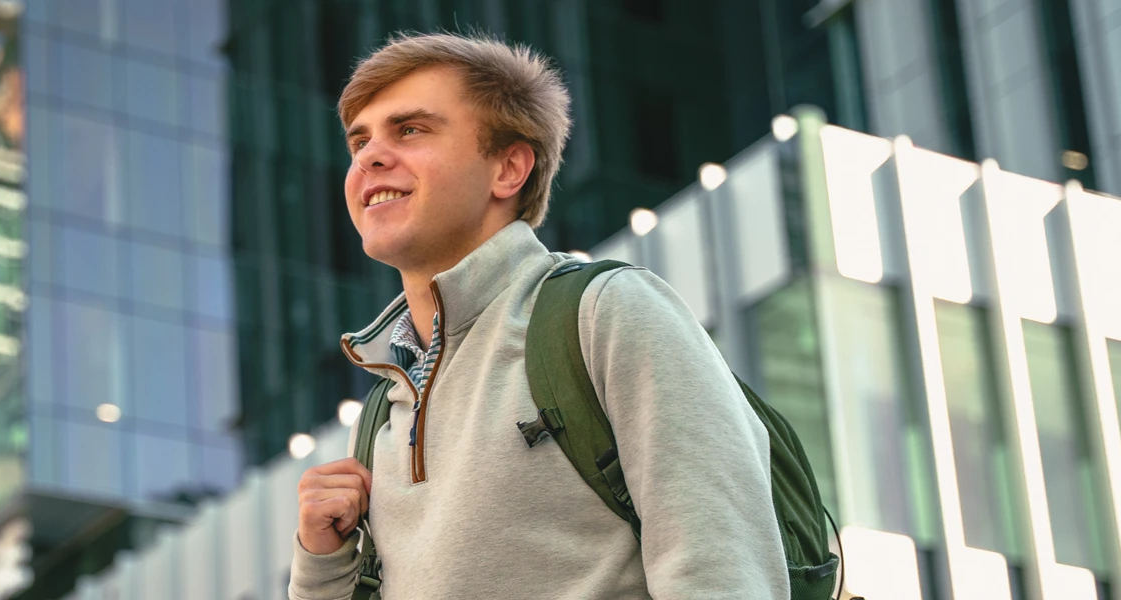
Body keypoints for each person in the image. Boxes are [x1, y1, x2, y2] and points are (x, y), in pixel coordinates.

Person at [288, 32, 790, 599]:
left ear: (509, 169)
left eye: (411, 129)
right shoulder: (380, 410)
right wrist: (321, 566)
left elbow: (722, 572)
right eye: (359, 142)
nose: (370, 156)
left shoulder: (605, 313)